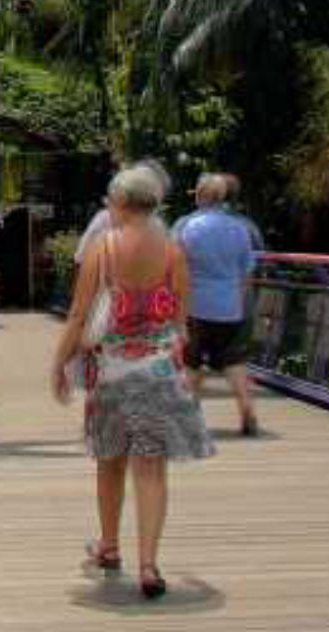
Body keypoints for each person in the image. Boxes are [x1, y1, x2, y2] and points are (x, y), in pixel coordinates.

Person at [49, 162, 208, 600]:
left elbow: (80, 315)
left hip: (113, 373)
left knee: (110, 461)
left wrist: (60, 363)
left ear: (120, 202)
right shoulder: (174, 250)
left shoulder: (104, 247)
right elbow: (181, 321)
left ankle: (109, 546)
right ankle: (149, 565)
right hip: (159, 373)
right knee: (151, 468)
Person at [176, 172, 267, 437]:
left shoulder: (188, 227)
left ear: (202, 196)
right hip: (230, 307)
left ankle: (186, 417)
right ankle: (247, 409)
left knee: (192, 362)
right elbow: (247, 272)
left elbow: (178, 268)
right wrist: (237, 301)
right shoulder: (239, 228)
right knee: (234, 362)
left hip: (197, 305)